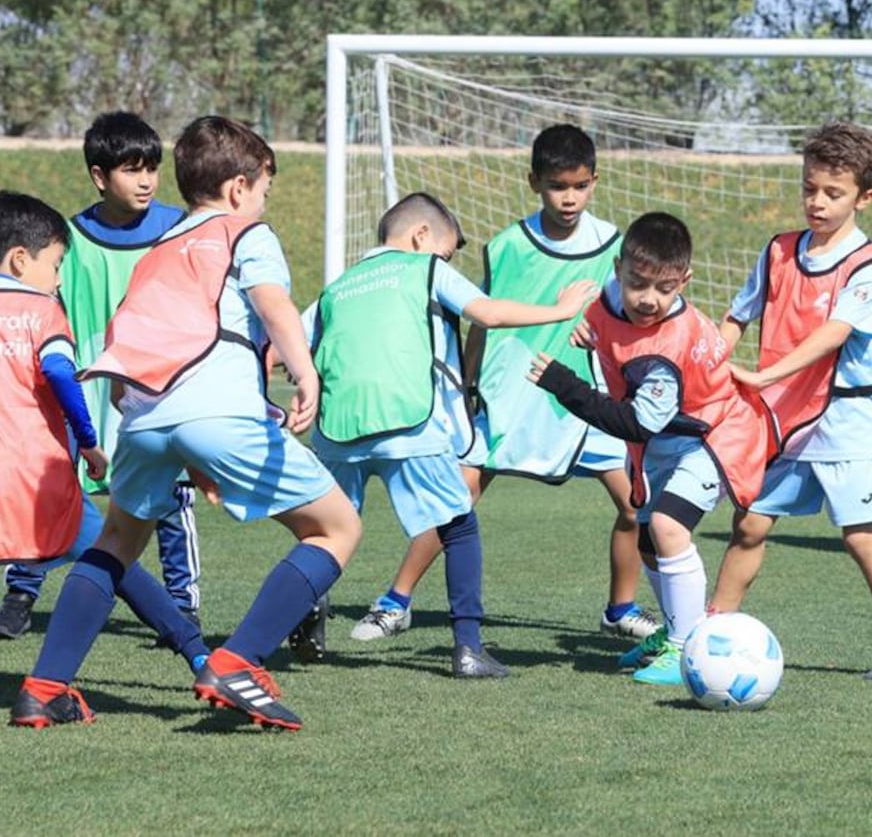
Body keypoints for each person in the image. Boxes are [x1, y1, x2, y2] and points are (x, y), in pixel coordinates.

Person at [9, 116, 363, 731]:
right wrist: (305, 372)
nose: (262, 203)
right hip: (216, 408)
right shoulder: (244, 232)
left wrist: (171, 437)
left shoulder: (159, 250)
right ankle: (237, 660)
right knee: (336, 529)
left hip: (140, 416)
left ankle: (43, 686)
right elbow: (273, 303)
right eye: (264, 191)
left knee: (115, 543)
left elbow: (129, 343)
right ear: (237, 189)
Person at [349, 124, 658, 646]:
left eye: (580, 186)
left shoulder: (614, 245)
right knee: (456, 497)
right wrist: (468, 386)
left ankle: (621, 608)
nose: (569, 197)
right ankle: (394, 602)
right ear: (534, 181)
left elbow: (625, 314)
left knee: (635, 503)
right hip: (509, 395)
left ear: (595, 182)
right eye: (558, 185)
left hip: (584, 397)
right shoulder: (508, 245)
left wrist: (603, 339)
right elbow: (482, 318)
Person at [296, 192, 597, 677]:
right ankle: (469, 650)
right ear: (420, 237)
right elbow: (488, 313)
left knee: (324, 532)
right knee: (459, 523)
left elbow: (289, 342)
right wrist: (561, 311)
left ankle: (304, 614)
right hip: (409, 423)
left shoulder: (339, 287)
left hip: (337, 428)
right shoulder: (427, 269)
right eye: (447, 251)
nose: (447, 262)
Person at [0, 191, 209, 723]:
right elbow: (57, 372)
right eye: (55, 265)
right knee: (115, 560)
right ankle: (201, 656)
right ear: (21, 260)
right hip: (35, 482)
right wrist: (91, 441)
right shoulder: (40, 308)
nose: (57, 279)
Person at [710, 122, 872, 682]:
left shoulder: (867, 269)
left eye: (833, 193)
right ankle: (707, 635)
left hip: (847, 423)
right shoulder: (780, 251)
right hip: (786, 421)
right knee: (750, 524)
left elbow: (830, 335)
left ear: (864, 197)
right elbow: (739, 314)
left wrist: (763, 376)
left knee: (860, 535)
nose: (817, 201)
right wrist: (711, 358)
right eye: (810, 188)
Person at [529, 211, 774, 686]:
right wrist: (588, 327)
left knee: (666, 526)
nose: (647, 299)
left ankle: (688, 646)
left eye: (664, 289)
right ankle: (675, 632)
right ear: (619, 268)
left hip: (715, 436)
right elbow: (606, 313)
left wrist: (565, 384)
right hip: (669, 441)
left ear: (685, 281)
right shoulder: (611, 292)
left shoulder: (667, 351)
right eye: (637, 283)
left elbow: (636, 423)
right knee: (646, 540)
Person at [0, 112, 202, 640]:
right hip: (83, 387)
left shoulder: (180, 231)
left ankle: (184, 603)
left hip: (155, 388)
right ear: (100, 176)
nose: (147, 180)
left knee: (170, 495)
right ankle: (20, 593)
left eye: (151, 167)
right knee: (54, 496)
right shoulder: (68, 239)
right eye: (132, 169)